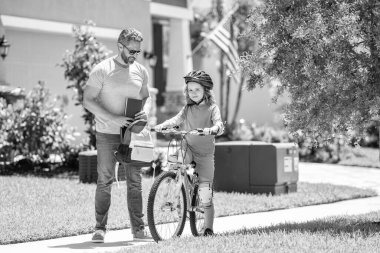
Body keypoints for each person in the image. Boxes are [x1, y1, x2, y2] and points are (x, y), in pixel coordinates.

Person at [83, 27, 151, 242]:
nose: (134, 55)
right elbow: (88, 100)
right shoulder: (102, 69)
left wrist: (145, 113)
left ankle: (138, 229)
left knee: (135, 181)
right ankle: (100, 228)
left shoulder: (140, 70)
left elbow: (145, 97)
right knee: (105, 180)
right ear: (120, 46)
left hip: (132, 135)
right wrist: (113, 119)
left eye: (137, 52)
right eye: (131, 51)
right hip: (107, 133)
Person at [154, 70, 224, 236]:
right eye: (190, 90)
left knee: (205, 193)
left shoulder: (212, 108)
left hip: (205, 155)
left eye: (197, 90)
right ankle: (175, 192)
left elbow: (219, 125)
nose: (193, 93)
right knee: (176, 160)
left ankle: (208, 228)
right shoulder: (187, 108)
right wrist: (161, 126)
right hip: (188, 147)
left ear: (205, 91)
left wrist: (212, 129)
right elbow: (176, 120)